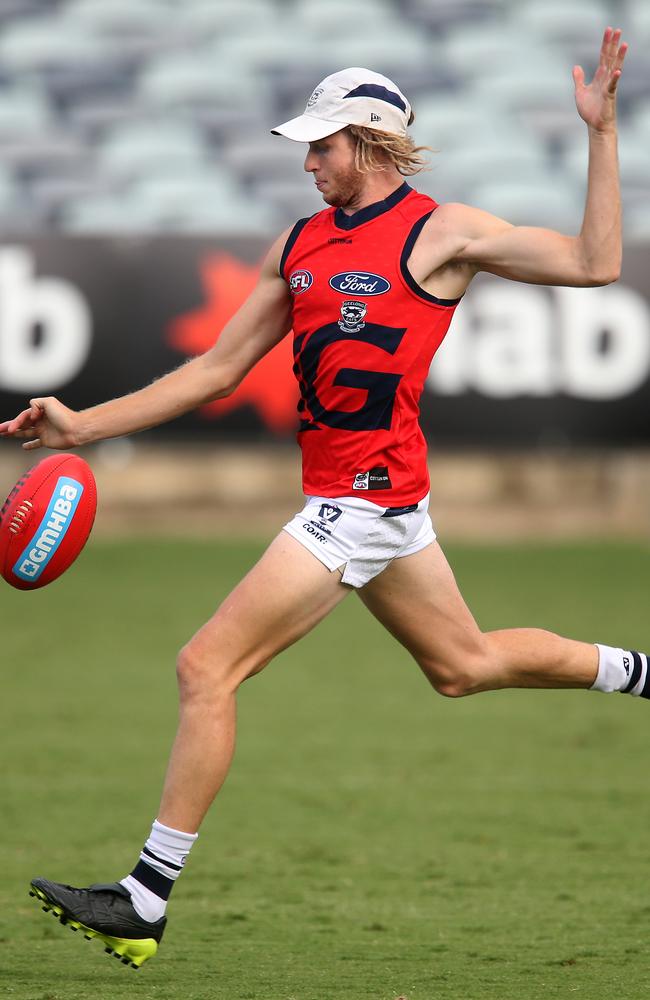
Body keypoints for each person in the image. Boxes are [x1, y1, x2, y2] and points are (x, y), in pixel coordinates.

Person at [1, 29, 639, 972]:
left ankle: (142, 898)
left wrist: (602, 133)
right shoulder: (298, 245)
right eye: (306, 144)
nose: (308, 161)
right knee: (463, 667)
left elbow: (596, 264)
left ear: (371, 143)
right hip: (381, 508)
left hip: (364, 506)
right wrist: (83, 426)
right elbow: (218, 370)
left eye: (323, 144)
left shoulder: (443, 232)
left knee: (203, 669)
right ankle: (644, 671)